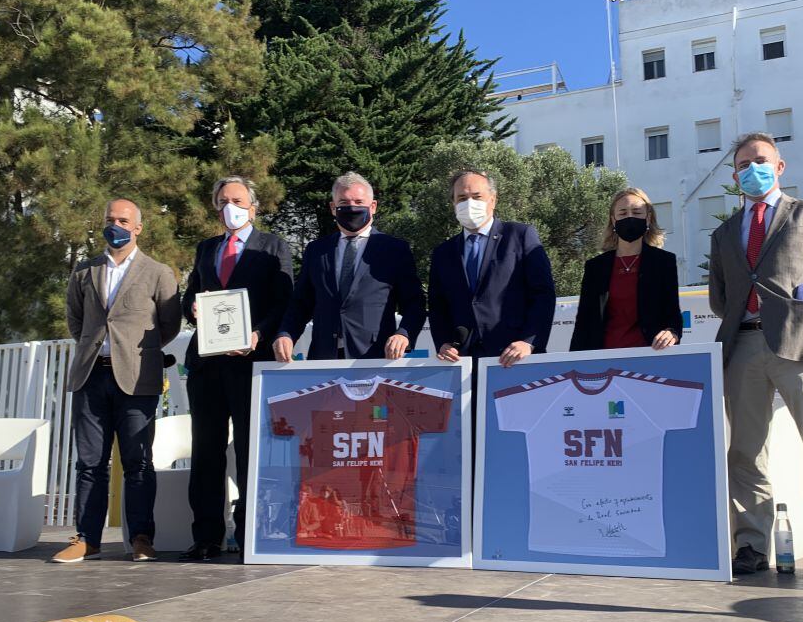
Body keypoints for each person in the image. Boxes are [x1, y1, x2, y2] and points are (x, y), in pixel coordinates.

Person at [709, 132, 803, 582]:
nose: (751, 168)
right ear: (735, 175)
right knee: (746, 451)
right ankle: (750, 545)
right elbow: (720, 297)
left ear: (779, 166)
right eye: (742, 163)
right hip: (743, 347)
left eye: (760, 160)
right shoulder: (723, 233)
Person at [54, 199, 181, 563]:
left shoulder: (158, 272)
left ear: (138, 227)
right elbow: (76, 321)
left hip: (137, 378)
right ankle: (86, 539)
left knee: (138, 461)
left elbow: (169, 325)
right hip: (91, 375)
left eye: (124, 220)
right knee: (90, 462)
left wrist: (135, 351)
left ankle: (142, 537)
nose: (116, 225)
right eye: (111, 220)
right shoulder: (84, 271)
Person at [180, 176, 294, 562]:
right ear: (216, 207)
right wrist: (193, 308)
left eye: (239, 200)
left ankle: (248, 534)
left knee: (249, 451)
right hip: (207, 364)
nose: (231, 206)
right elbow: (189, 296)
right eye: (224, 200)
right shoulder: (206, 248)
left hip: (250, 364)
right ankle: (207, 536)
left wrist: (260, 333)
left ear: (253, 206)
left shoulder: (274, 245)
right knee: (206, 451)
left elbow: (285, 301)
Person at [274, 172, 425, 361]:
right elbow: (301, 303)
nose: (352, 208)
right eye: (344, 204)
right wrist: (286, 334)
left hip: (374, 357)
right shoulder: (316, 250)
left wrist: (404, 334)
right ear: (332, 207)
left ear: (373, 206)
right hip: (323, 358)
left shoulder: (394, 250)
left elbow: (414, 303)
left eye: (359, 202)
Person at [429, 169, 556, 365]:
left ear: (493, 200)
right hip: (463, 363)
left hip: (514, 358)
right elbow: (438, 306)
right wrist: (443, 343)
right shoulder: (443, 252)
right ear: (453, 203)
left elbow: (543, 295)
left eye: (477, 196)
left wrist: (528, 342)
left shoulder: (520, 236)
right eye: (461, 198)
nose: (469, 203)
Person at [570, 187, 682, 352]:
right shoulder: (595, 267)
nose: (630, 217)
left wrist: (672, 332)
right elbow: (584, 323)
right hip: (603, 359)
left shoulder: (664, 262)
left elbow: (672, 313)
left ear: (648, 218)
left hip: (651, 356)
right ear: (613, 220)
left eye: (636, 213)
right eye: (623, 213)